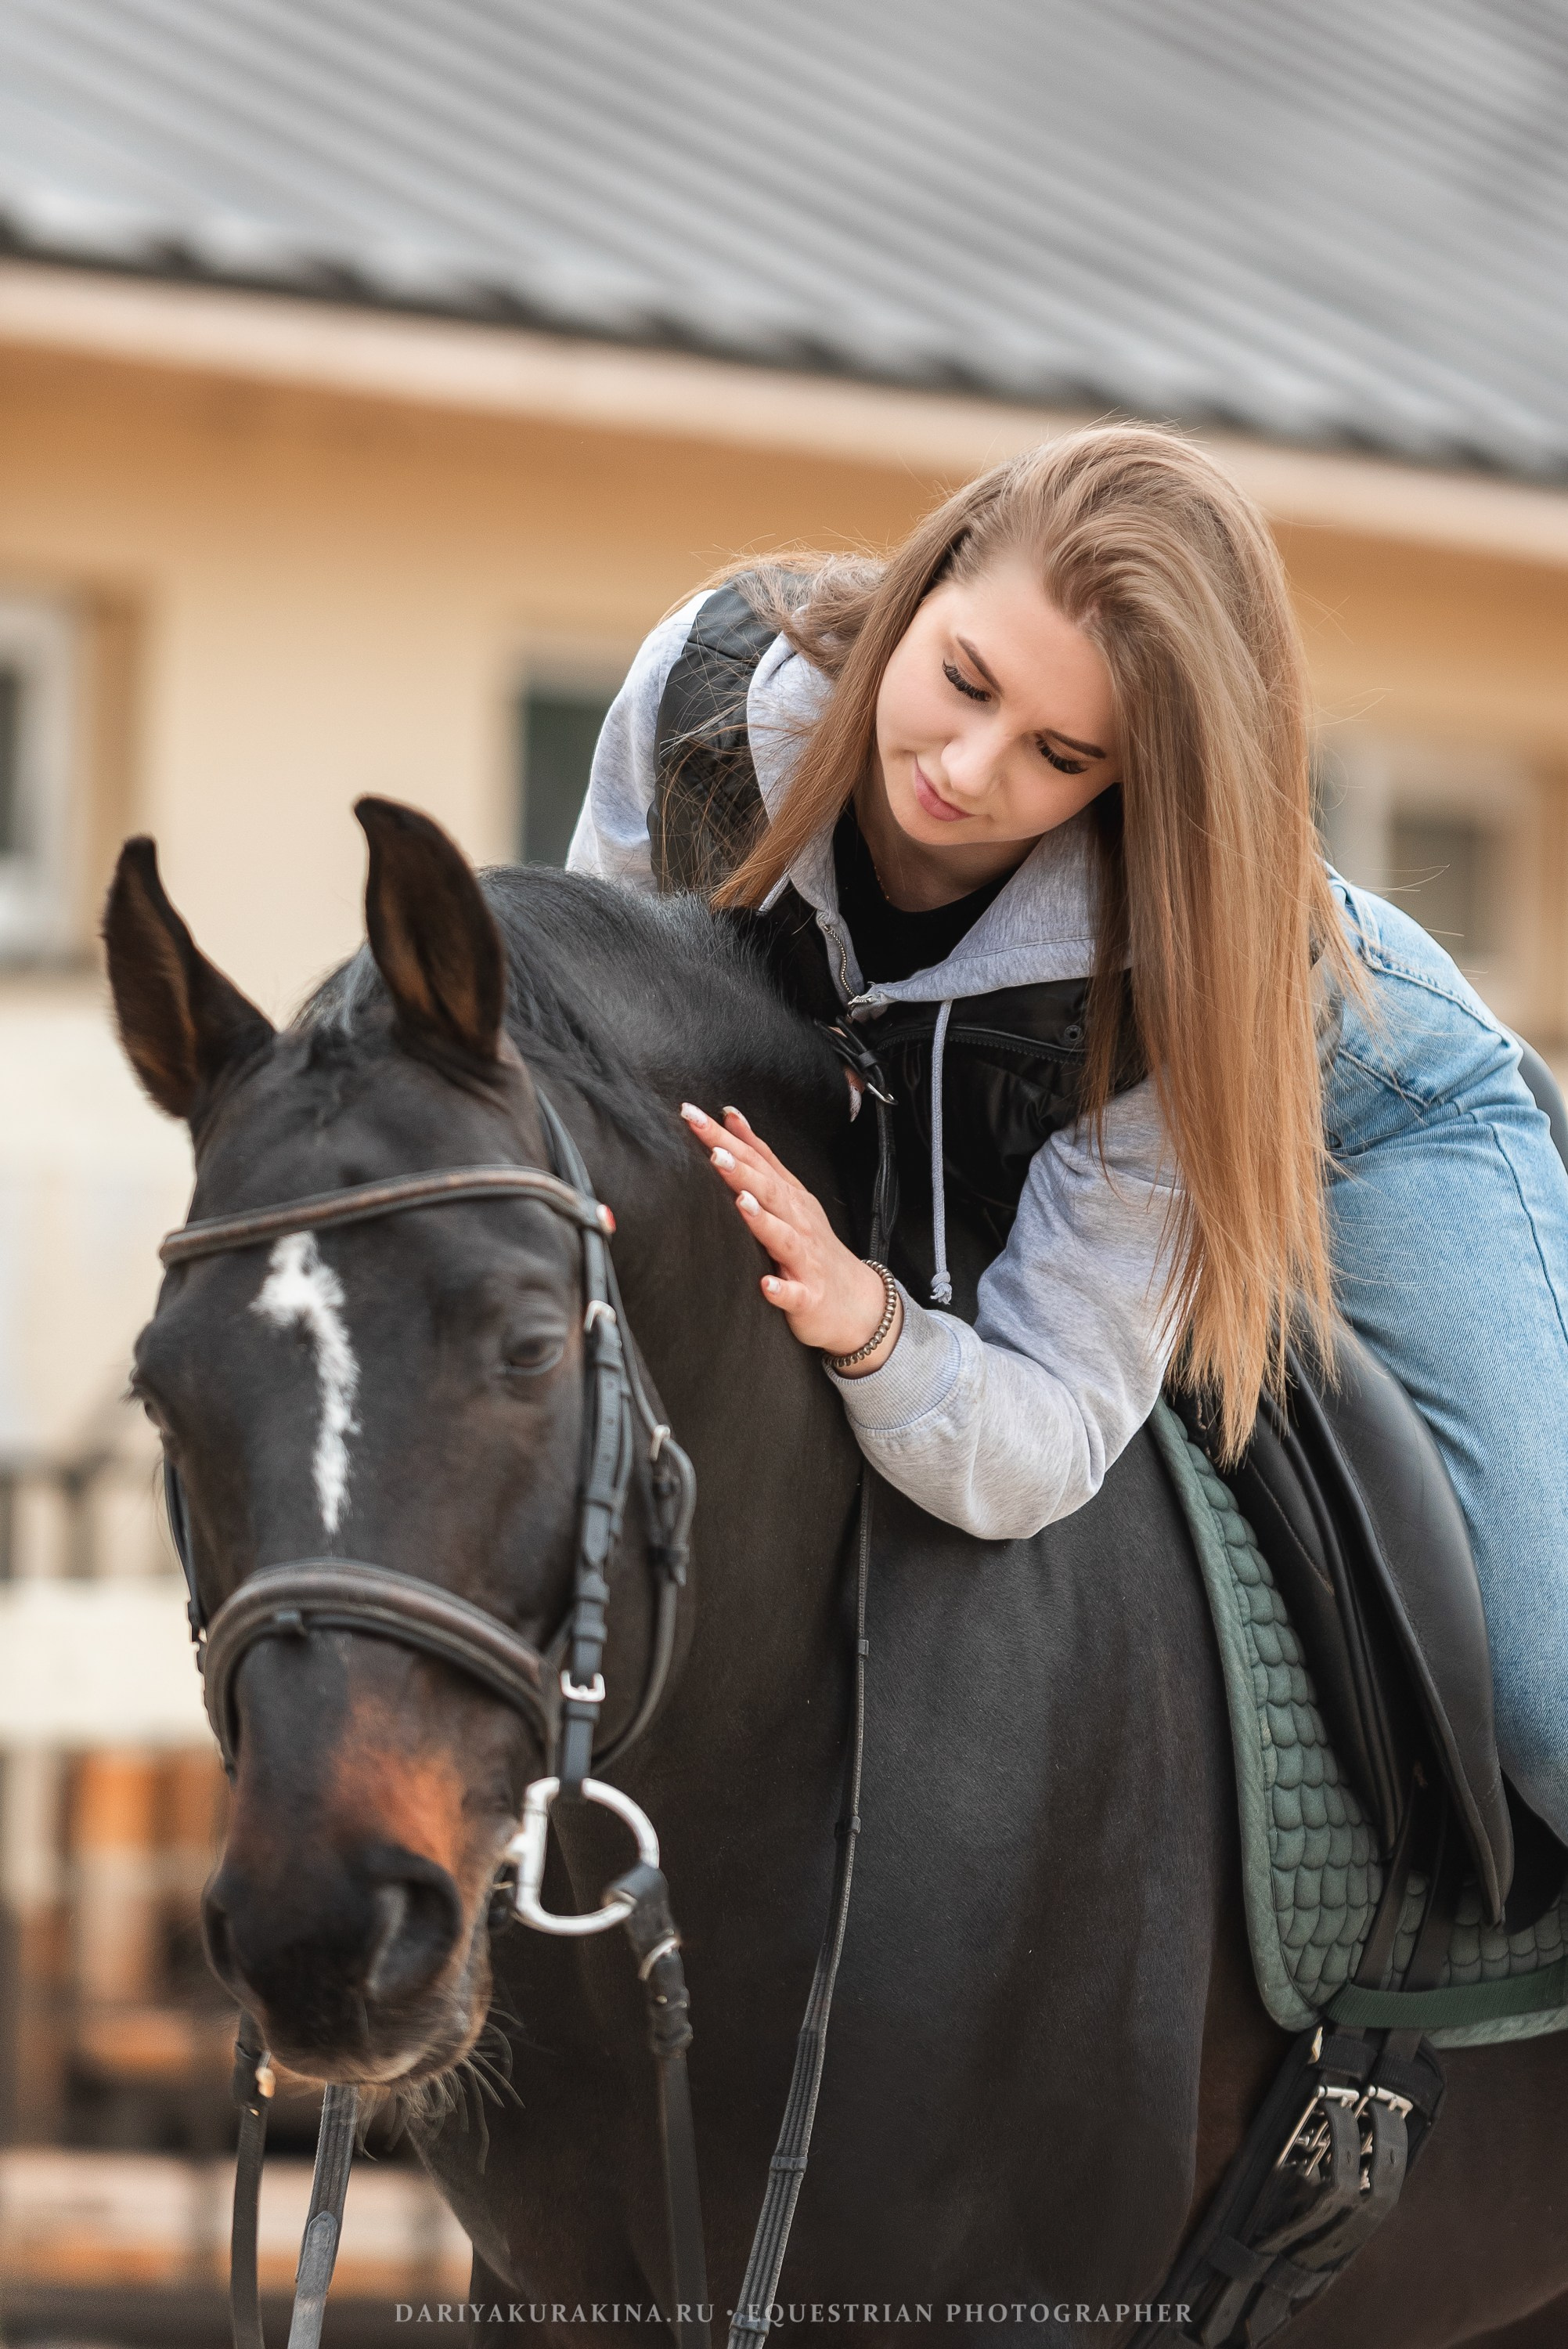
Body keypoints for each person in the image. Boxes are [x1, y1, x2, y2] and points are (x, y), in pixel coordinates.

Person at [568, 424, 1568, 1844]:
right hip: (996, 1089)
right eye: (963, 680)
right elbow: (601, 1050)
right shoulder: (707, 699)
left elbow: (1044, 1437)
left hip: (1359, 1100)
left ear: (1128, 779)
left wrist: (873, 1328)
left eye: (1060, 753)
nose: (967, 773)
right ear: (925, 585)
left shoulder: (1175, 971)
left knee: (1555, 1699)